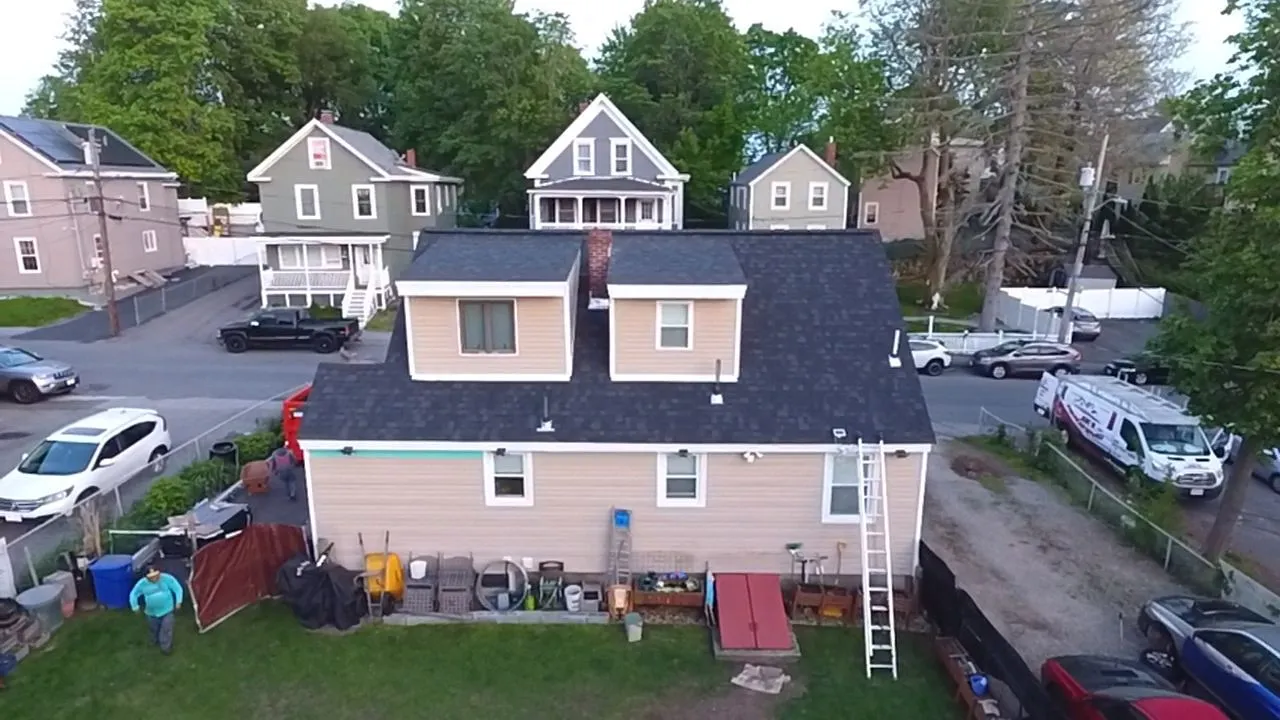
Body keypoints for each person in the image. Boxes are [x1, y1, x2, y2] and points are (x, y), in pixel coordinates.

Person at [128, 565, 184, 655]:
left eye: (156, 575)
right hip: (151, 612)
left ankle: (165, 647)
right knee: (154, 628)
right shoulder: (142, 584)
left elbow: (177, 588)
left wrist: (178, 601)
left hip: (167, 609)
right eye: (151, 577)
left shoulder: (166, 578)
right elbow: (134, 594)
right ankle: (154, 640)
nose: (154, 578)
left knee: (166, 628)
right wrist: (135, 606)